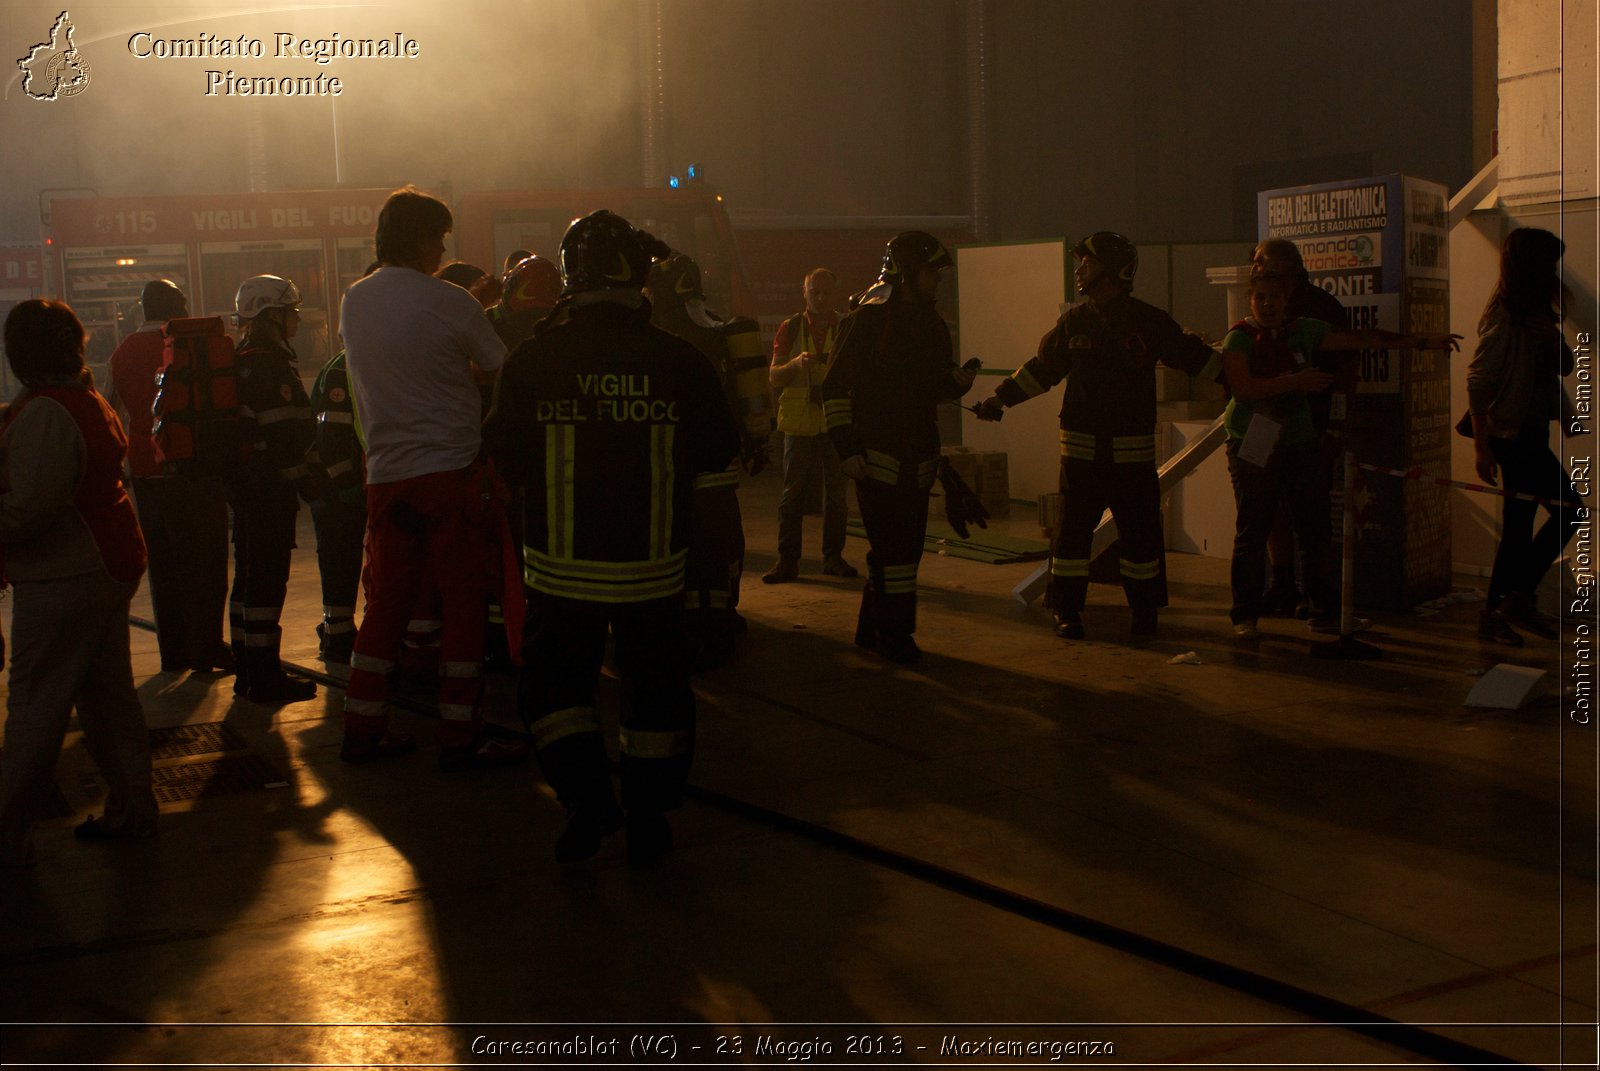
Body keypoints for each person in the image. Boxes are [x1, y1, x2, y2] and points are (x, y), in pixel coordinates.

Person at [484, 210, 739, 865]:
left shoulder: (533, 359)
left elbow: (506, 458)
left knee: (556, 692)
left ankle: (585, 804)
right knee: (654, 693)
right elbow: (718, 450)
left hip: (559, 573)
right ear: (638, 280)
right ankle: (649, 815)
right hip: (653, 572)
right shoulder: (678, 359)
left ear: (572, 279)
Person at [338, 186, 525, 770]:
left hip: (387, 478)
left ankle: (362, 730)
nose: (443, 250)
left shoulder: (354, 300)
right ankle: (459, 738)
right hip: (452, 475)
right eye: (440, 238)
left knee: (386, 607)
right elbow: (503, 370)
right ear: (424, 239)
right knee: (463, 606)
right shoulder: (452, 302)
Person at [973, 231, 1216, 641]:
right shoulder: (1075, 322)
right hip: (1081, 455)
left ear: (1111, 269)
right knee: (1071, 537)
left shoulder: (1149, 321)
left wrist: (1240, 378)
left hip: (1132, 457)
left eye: (1087, 263)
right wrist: (1000, 399)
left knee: (1141, 538)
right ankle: (1066, 610)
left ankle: (1144, 611)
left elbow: (1193, 357)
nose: (1080, 270)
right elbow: (1042, 369)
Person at [1218, 268, 1459, 639]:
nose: (1268, 304)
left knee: (1314, 529)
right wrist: (1295, 382)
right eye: (1260, 297)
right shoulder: (1239, 338)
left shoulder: (1305, 330)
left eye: (1275, 297)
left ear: (1286, 299)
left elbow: (1359, 339)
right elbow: (1244, 388)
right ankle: (1245, 617)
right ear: (1251, 300)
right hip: (1252, 443)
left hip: (1298, 442)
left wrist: (1422, 342)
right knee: (1253, 529)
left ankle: (1323, 612)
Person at [0, 299, 156, 866]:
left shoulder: (44, 412)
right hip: (107, 565)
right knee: (107, 698)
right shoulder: (82, 399)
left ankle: (8, 837)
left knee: (37, 706)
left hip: (65, 571)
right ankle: (134, 809)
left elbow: (29, 509)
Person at [824, 232, 977, 664]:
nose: (938, 281)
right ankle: (897, 638)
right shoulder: (867, 320)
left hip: (918, 454)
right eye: (932, 272)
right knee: (896, 552)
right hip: (875, 456)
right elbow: (834, 388)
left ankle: (871, 632)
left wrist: (954, 382)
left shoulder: (930, 324)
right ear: (908, 272)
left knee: (902, 551)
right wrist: (847, 447)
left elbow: (929, 385)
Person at [105, 279, 232, 674]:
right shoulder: (187, 343)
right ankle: (207, 647)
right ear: (178, 306)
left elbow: (110, 408)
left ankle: (173, 653)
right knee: (205, 560)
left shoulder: (122, 351)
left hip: (144, 469)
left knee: (162, 563)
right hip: (192, 466)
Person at [647, 253, 767, 671]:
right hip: (717, 461)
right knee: (720, 545)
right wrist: (756, 439)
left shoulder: (652, 339)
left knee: (676, 547)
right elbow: (745, 392)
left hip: (667, 466)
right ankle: (719, 620)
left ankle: (683, 626)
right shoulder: (718, 331)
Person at [1467, 226, 1583, 646]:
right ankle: (1513, 600)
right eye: (1549, 263)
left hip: (1528, 430)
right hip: (1511, 434)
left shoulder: (1534, 311)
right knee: (1570, 511)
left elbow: (1564, 366)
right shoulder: (1506, 314)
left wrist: (1552, 340)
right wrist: (1482, 445)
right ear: (1532, 265)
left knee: (1522, 524)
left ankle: (1503, 607)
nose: (1554, 270)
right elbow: (1479, 379)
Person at [228, 275, 321, 703]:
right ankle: (265, 679)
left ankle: (248, 673)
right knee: (266, 582)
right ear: (271, 315)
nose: (297, 318)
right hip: (268, 492)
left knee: (247, 581)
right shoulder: (270, 363)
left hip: (246, 488)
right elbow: (285, 435)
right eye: (291, 311)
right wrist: (309, 481)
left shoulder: (242, 357)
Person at [1251, 239, 1353, 615]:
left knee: (1311, 514)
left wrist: (1336, 426)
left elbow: (1345, 371)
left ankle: (1318, 595)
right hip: (1264, 427)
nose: (1255, 268)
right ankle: (1281, 584)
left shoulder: (1323, 310)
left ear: (1284, 268)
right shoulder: (1258, 308)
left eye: (1261, 261)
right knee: (1268, 507)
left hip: (1310, 428)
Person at [763, 268, 857, 584]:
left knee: (838, 497)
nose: (819, 298)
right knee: (792, 495)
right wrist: (795, 364)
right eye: (814, 292)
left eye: (825, 292)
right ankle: (787, 561)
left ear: (836, 294)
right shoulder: (790, 328)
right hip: (799, 425)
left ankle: (833, 558)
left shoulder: (847, 326)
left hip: (834, 423)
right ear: (805, 293)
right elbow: (774, 376)